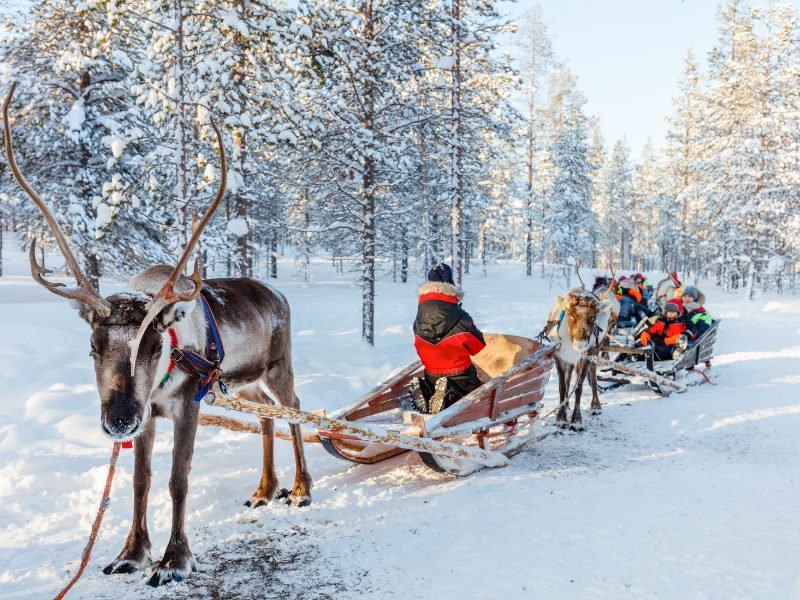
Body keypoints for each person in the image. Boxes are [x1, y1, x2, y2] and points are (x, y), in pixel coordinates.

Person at [409, 263, 486, 414]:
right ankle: (448, 392)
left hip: (431, 374)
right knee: (474, 391)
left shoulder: (419, 319)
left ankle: (427, 391)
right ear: (451, 287)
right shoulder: (462, 318)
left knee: (435, 380)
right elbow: (478, 347)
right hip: (461, 376)